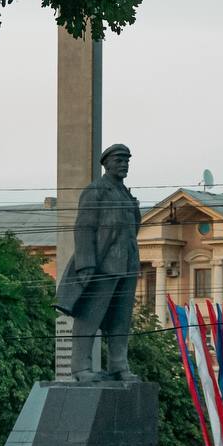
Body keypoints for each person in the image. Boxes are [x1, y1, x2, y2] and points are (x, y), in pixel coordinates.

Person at [55, 143, 141, 382]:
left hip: (128, 266)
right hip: (103, 266)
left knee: (121, 319)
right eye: (119, 160)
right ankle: (80, 368)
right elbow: (83, 228)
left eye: (126, 161)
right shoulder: (96, 191)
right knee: (89, 317)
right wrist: (86, 264)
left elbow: (134, 229)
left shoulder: (125, 193)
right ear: (106, 164)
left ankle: (118, 365)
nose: (123, 164)